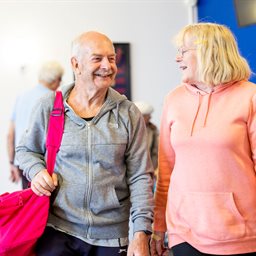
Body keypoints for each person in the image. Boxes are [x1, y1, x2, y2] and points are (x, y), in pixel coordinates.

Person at [16, 31, 154, 256]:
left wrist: (141, 233)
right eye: (97, 58)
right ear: (76, 64)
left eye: (111, 58)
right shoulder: (49, 106)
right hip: (58, 229)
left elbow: (140, 176)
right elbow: (25, 150)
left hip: (111, 236)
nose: (107, 66)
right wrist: (36, 170)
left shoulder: (129, 113)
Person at [150, 22, 256, 256]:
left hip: (241, 234)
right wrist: (159, 225)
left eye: (183, 51)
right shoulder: (174, 99)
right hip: (184, 231)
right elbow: (166, 168)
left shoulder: (250, 97)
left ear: (209, 51)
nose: (177, 58)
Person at [7, 61, 64, 189]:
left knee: (29, 207)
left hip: (23, 164)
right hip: (44, 170)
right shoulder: (54, 100)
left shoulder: (21, 97)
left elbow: (10, 134)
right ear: (56, 80)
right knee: (43, 208)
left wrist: (12, 163)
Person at [134, 101, 159, 182]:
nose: (150, 117)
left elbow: (156, 151)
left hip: (149, 170)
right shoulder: (130, 129)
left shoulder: (152, 129)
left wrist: (155, 169)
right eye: (147, 116)